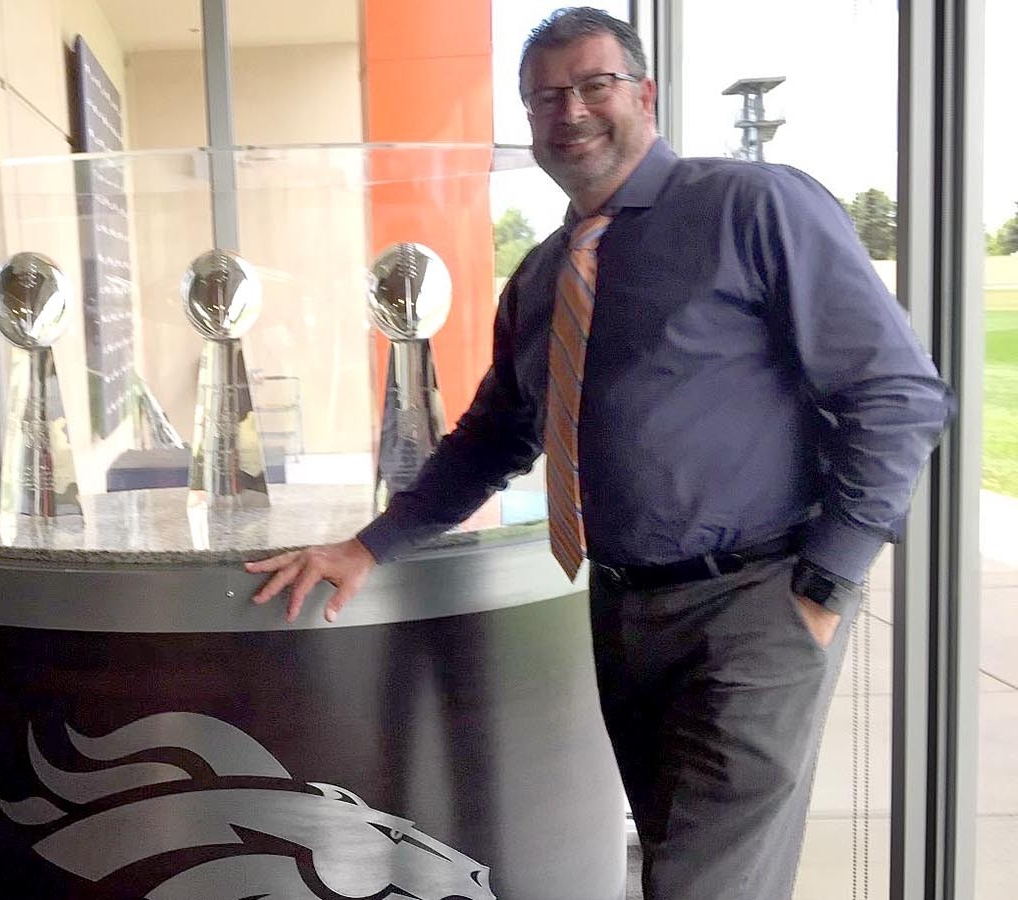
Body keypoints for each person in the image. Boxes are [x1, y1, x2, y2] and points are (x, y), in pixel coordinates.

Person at [246, 7, 953, 900]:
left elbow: (897, 392)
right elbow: (493, 439)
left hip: (753, 610)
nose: (569, 110)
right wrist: (368, 544)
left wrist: (828, 582)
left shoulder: (750, 205)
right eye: (544, 98)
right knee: (676, 863)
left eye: (593, 85)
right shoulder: (541, 278)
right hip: (622, 611)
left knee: (704, 882)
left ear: (645, 94)